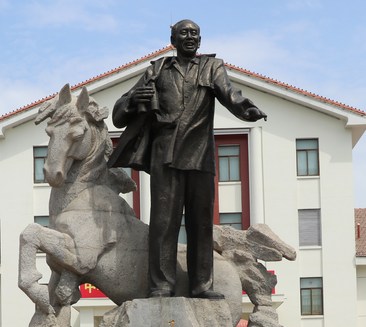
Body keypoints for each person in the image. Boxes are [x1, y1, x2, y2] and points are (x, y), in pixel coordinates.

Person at [108, 18, 266, 299]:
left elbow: (230, 94)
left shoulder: (211, 67)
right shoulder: (157, 70)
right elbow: (119, 115)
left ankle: (202, 285)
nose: (190, 37)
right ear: (173, 40)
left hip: (199, 154)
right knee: (163, 223)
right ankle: (161, 284)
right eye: (184, 33)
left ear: (200, 40)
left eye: (194, 33)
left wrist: (246, 109)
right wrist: (133, 101)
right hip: (164, 155)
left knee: (201, 223)